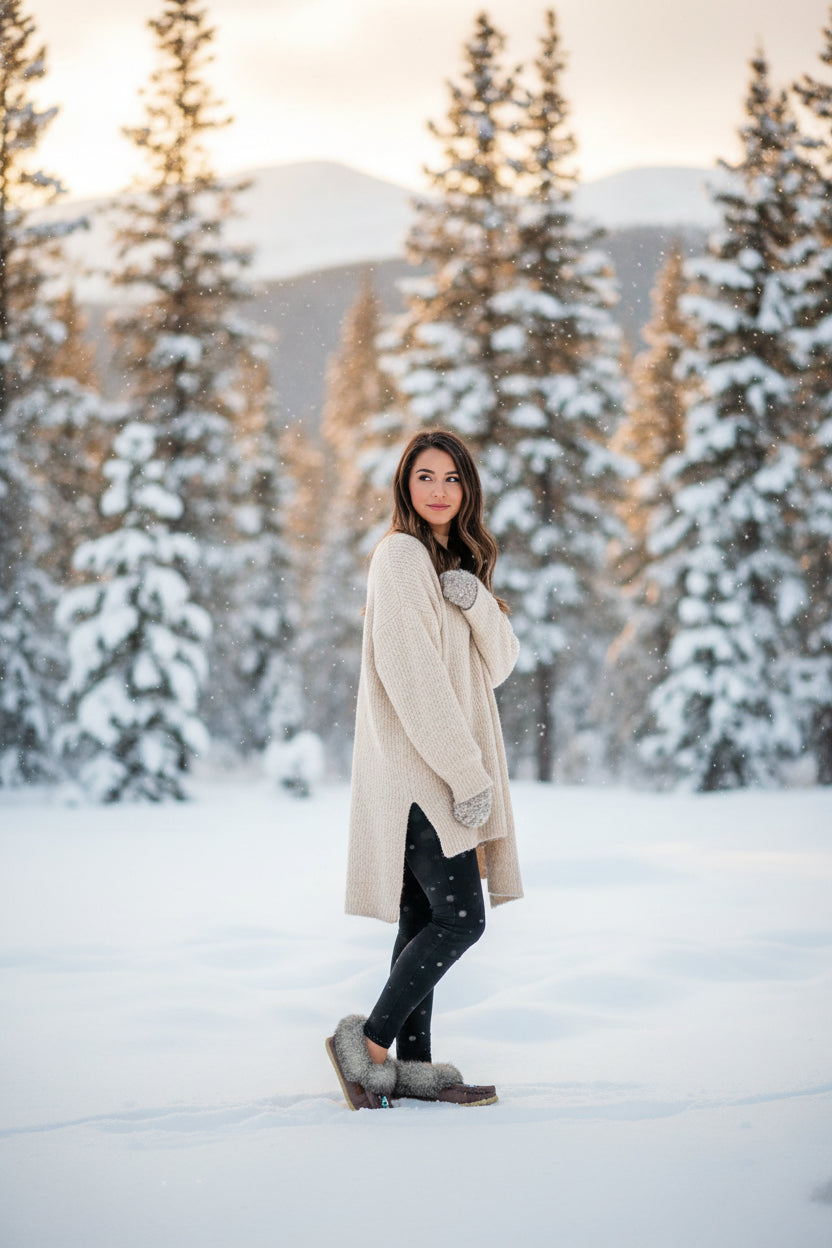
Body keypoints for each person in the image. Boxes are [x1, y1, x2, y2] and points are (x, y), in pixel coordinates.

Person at [325, 428, 523, 1110]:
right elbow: (412, 679)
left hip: (440, 771)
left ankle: (412, 1068)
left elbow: (500, 665)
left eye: (452, 478)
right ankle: (367, 1048)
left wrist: (476, 602)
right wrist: (467, 775)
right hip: (423, 777)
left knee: (423, 920)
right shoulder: (401, 556)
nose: (439, 491)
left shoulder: (451, 561)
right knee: (461, 921)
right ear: (405, 487)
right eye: (425, 477)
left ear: (469, 489)